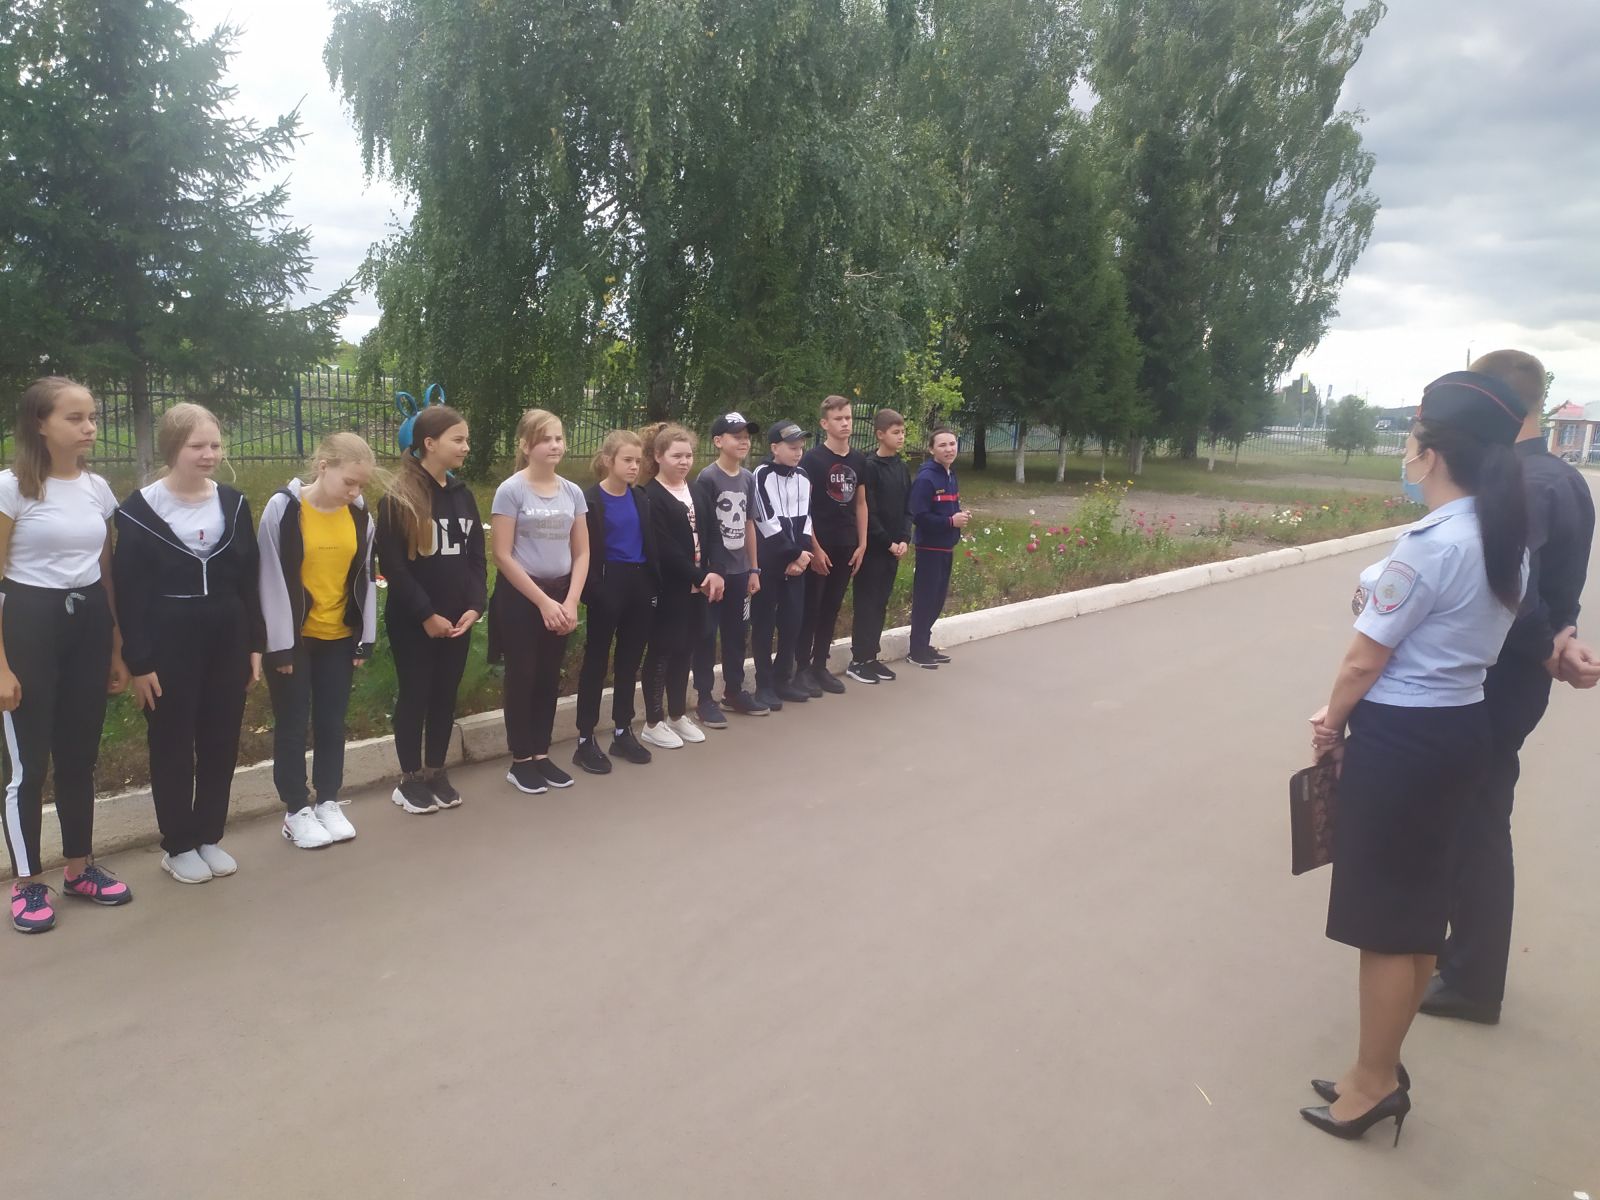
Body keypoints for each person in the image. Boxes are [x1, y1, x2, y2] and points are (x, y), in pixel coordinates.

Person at [1300, 370, 1530, 1145]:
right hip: (1458, 729)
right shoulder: (1500, 537)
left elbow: (1363, 660)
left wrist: (1331, 725)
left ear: (1433, 454)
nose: (1405, 453)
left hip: (1402, 741)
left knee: (1385, 921)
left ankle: (1372, 1085)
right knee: (1419, 912)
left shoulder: (1431, 545)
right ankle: (1377, 1068)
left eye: (1410, 440)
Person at [1423, 350, 1599, 1025]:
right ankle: (1464, 961)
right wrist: (1563, 635)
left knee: (1476, 823)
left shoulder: (1523, 482)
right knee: (1478, 814)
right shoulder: (1562, 478)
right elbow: (1557, 585)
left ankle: (1471, 980)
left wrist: (1549, 645)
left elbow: (1508, 582)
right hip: (1517, 679)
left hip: (1491, 680)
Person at [1, 377, 133, 932]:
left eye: (92, 417)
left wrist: (117, 648)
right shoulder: (11, 488)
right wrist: (1, 665)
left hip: (89, 624)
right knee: (28, 766)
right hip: (28, 625)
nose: (89, 428)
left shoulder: (97, 489)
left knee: (79, 757)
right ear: (40, 424)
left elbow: (107, 573)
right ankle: (27, 883)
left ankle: (79, 868)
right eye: (75, 418)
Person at [113, 403, 264, 883]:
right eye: (197, 446)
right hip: (168, 640)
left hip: (227, 635)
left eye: (215, 445)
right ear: (172, 448)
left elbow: (249, 577)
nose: (209, 455)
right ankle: (178, 844)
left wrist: (255, 643)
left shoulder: (234, 503)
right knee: (172, 741)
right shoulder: (138, 511)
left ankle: (208, 836)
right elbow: (129, 592)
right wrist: (139, 661)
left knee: (221, 737)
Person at [259, 431, 378, 849]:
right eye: (349, 482)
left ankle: (328, 800)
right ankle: (296, 810)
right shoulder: (284, 508)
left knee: (331, 722)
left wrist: (365, 637)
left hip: (338, 637)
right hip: (294, 639)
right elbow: (269, 576)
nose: (355, 491)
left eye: (361, 484)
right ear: (323, 467)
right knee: (293, 724)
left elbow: (366, 577)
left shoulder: (360, 515)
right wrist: (279, 644)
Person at [375, 404, 486, 815]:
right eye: (458, 439)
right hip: (414, 622)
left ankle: (436, 771)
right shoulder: (398, 498)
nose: (466, 447)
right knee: (416, 695)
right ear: (429, 443)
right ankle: (409, 780)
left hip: (458, 621)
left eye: (467, 439)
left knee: (444, 696)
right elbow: (393, 567)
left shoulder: (463, 495)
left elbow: (476, 558)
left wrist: (475, 605)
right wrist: (425, 614)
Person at [490, 409, 590, 794]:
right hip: (521, 597)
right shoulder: (511, 490)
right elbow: (502, 555)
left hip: (561, 595)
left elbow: (582, 552)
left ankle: (541, 754)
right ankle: (520, 761)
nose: (554, 445)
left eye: (559, 438)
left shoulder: (572, 492)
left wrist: (570, 600)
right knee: (523, 676)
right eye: (545, 439)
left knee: (549, 676)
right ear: (525, 445)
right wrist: (543, 603)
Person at [573, 430, 659, 775]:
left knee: (629, 661)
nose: (634, 467)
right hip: (607, 586)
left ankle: (622, 731)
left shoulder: (640, 497)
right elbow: (582, 551)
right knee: (596, 661)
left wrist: (651, 584)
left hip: (639, 585)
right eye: (627, 460)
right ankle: (584, 739)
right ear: (608, 461)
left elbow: (649, 543)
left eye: (638, 461)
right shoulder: (590, 500)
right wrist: (595, 591)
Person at [639, 422, 722, 750]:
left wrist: (715, 571)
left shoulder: (698, 491)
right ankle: (652, 722)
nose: (684, 461)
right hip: (669, 589)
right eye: (677, 456)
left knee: (686, 648)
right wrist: (699, 577)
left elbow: (713, 535)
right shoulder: (650, 496)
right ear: (658, 456)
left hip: (700, 588)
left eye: (688, 455)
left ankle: (676, 714)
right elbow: (664, 547)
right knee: (662, 650)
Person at [693, 411, 765, 723]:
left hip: (740, 572)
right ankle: (704, 698)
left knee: (737, 634)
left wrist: (754, 569)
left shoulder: (748, 478)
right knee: (707, 635)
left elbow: (749, 523)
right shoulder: (707, 478)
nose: (744, 441)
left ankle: (734, 691)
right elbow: (702, 528)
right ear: (718, 441)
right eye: (737, 436)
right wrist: (707, 570)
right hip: (715, 573)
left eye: (747, 437)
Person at [796, 395, 869, 694]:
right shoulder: (813, 460)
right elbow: (804, 506)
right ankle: (801, 668)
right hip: (820, 545)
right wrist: (814, 547)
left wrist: (862, 543)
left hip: (847, 544)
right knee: (811, 607)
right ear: (824, 423)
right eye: (838, 419)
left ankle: (819, 666)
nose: (845, 423)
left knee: (831, 608)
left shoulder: (859, 460)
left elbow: (861, 503)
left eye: (848, 418)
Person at [750, 419, 815, 711]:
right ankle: (763, 684)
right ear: (775, 447)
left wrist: (802, 554)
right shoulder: (761, 475)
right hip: (770, 564)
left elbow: (807, 517)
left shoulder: (803, 476)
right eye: (792, 447)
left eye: (800, 447)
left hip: (797, 564)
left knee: (792, 622)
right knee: (764, 624)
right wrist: (793, 555)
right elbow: (765, 521)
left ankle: (782, 679)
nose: (798, 452)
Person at [849, 408, 912, 683]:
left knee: (881, 603)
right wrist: (888, 542)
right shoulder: (869, 466)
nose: (901, 437)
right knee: (866, 603)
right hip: (873, 549)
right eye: (896, 432)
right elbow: (868, 510)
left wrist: (904, 539)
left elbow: (908, 507)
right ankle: (857, 660)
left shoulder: (901, 467)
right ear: (880, 434)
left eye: (903, 432)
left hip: (894, 549)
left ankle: (871, 656)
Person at [907, 426, 969, 669]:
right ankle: (916, 650)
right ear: (932, 449)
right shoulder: (926, 478)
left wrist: (959, 516)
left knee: (937, 600)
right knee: (926, 600)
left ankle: (924, 644)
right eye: (942, 445)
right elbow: (918, 515)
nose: (949, 449)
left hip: (946, 546)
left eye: (952, 444)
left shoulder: (950, 475)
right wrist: (950, 522)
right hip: (930, 549)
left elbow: (948, 508)